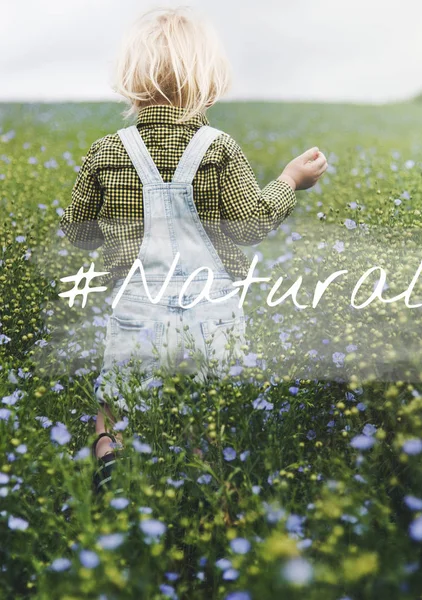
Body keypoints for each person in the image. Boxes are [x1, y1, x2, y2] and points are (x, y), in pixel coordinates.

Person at [59, 6, 328, 494]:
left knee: (115, 403)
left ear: (130, 81)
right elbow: (250, 224)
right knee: (204, 406)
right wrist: (290, 179)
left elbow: (78, 232)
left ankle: (110, 458)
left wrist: (107, 230)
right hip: (211, 311)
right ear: (209, 82)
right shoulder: (219, 148)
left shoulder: (107, 151)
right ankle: (198, 477)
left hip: (136, 307)